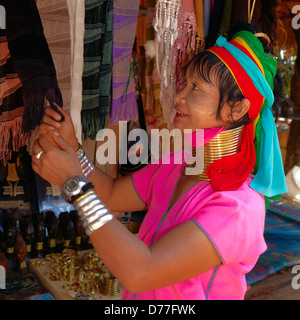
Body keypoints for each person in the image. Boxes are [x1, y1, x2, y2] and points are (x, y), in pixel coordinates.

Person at [31, 25, 287, 300]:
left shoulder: (238, 206)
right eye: (184, 83)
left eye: (196, 88)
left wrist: (75, 185)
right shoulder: (177, 164)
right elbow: (112, 194)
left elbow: (142, 272)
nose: (179, 96)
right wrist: (73, 149)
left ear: (237, 108)